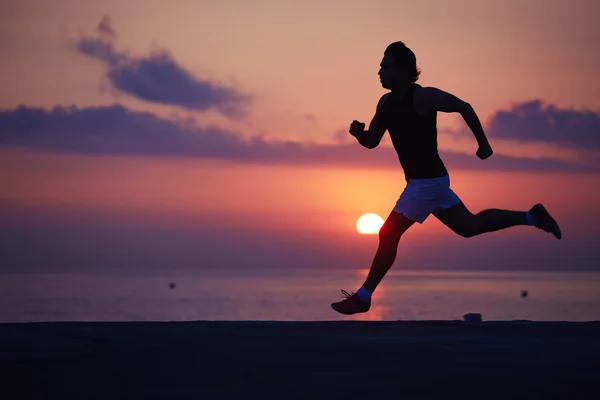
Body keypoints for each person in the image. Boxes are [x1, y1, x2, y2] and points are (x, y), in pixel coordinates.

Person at [331, 41, 562, 316]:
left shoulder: (424, 98)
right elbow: (372, 141)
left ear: (403, 70)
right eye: (380, 66)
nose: (379, 71)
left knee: (388, 232)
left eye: (386, 66)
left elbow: (464, 106)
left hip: (427, 183)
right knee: (469, 226)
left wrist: (483, 144)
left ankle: (364, 297)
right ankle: (533, 216)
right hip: (429, 183)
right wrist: (360, 134)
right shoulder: (386, 104)